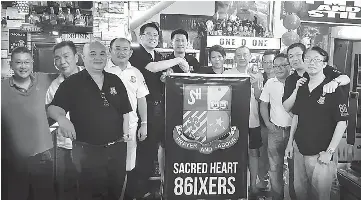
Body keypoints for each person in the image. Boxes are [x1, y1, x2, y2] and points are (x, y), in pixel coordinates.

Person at [47, 41, 132, 200]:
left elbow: (125, 111)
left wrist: (125, 136)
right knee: (89, 193)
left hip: (116, 148)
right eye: (92, 54)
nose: (98, 58)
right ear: (83, 58)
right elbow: (53, 108)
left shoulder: (115, 80)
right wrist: (62, 119)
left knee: (116, 191)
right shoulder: (72, 83)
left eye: (102, 54)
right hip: (87, 151)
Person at [129, 22, 190, 198]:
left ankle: (156, 187)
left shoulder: (156, 54)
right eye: (149, 35)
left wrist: (166, 77)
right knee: (145, 149)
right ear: (141, 37)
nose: (153, 38)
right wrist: (179, 60)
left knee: (160, 146)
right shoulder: (138, 54)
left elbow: (160, 76)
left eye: (156, 35)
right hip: (144, 109)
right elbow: (152, 68)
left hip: (161, 108)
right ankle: (140, 190)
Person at [285, 46, 349, 200]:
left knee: (321, 195)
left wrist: (330, 152)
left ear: (324, 64)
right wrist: (290, 143)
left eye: (317, 60)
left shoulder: (333, 88)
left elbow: (342, 122)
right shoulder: (301, 86)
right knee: (300, 192)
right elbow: (296, 116)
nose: (311, 63)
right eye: (308, 59)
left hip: (321, 154)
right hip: (299, 149)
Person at [2, 46, 56, 200]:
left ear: (32, 63)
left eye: (27, 62)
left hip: (43, 157)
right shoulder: (2, 88)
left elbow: (69, 75)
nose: (23, 66)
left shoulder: (45, 79)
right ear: (11, 64)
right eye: (18, 62)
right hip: (12, 160)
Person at [105, 37, 149, 199]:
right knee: (107, 168)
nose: (121, 52)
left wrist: (144, 124)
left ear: (130, 53)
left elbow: (142, 99)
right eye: (117, 48)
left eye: (125, 49)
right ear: (110, 51)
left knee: (128, 167)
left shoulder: (136, 73)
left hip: (130, 127)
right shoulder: (102, 71)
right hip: (105, 129)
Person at [223, 46, 263, 198]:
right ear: (234, 57)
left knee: (254, 152)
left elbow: (260, 98)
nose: (241, 57)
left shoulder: (257, 74)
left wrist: (254, 84)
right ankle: (234, 185)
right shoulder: (228, 74)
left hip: (253, 120)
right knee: (232, 153)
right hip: (232, 121)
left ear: (250, 56)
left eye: (244, 54)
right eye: (238, 55)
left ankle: (253, 185)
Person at [45, 41, 82, 200]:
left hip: (89, 146)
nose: (62, 62)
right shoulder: (54, 86)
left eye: (66, 56)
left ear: (76, 57)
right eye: (57, 58)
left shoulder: (93, 78)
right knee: (64, 189)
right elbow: (48, 117)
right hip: (63, 146)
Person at [260, 53, 292, 200]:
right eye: (276, 66)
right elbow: (263, 104)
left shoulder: (297, 81)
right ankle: (277, 197)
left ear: (289, 66)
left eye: (282, 65)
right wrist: (267, 123)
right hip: (275, 131)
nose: (278, 69)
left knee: (295, 169)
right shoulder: (270, 83)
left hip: (295, 132)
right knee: (274, 168)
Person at [282, 43, 350, 113]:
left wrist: (335, 82)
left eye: (298, 55)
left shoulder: (323, 69)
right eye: (291, 56)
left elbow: (346, 78)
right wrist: (296, 90)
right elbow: (287, 107)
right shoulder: (290, 79)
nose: (295, 59)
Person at [257, 50, 278, 191]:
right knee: (262, 155)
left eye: (271, 62)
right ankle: (263, 183)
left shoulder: (284, 78)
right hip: (263, 124)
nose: (268, 65)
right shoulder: (258, 79)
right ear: (262, 64)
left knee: (278, 157)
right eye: (266, 62)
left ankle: (278, 184)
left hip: (281, 125)